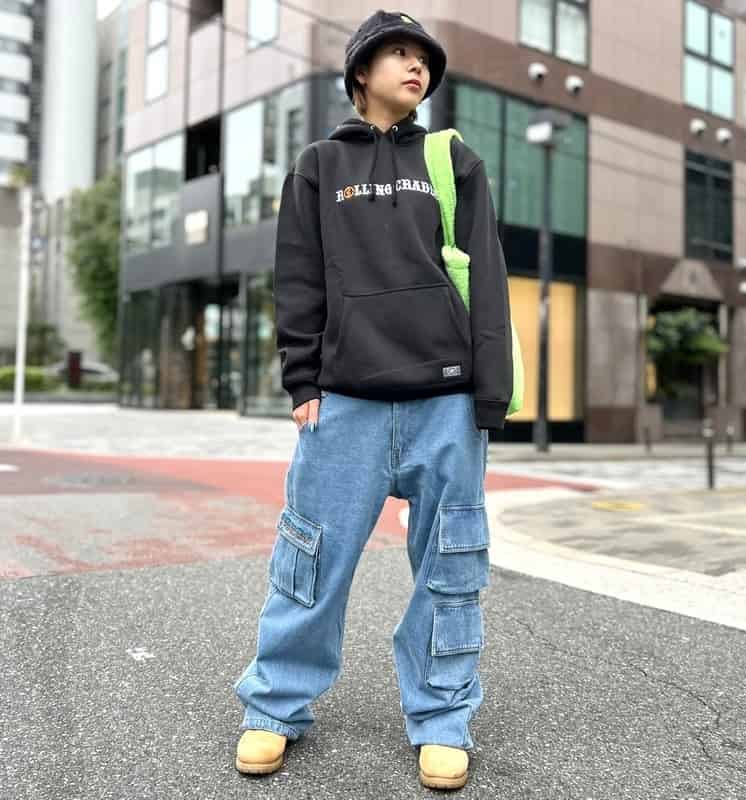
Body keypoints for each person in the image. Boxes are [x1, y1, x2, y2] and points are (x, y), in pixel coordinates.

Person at [232, 9, 513, 791]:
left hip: (445, 401)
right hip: (346, 401)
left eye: (423, 58)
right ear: (361, 72)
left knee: (452, 568)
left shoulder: (453, 161)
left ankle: (443, 717)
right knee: (309, 562)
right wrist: (301, 382)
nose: (415, 66)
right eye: (397, 54)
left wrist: (488, 395)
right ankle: (274, 706)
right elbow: (298, 278)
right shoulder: (319, 166)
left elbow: (487, 276)